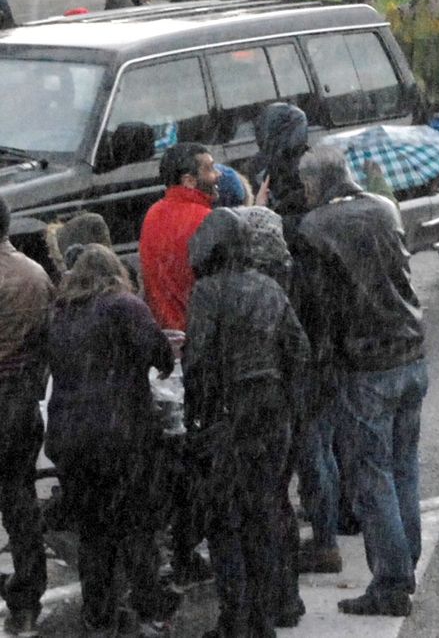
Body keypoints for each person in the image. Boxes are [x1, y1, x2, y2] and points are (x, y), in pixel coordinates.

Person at [295, 147, 427, 617]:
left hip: (365, 362)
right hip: (409, 350)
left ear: (316, 183)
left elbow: (319, 309)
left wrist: (319, 369)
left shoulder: (316, 228)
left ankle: (391, 580)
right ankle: (404, 561)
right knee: (404, 466)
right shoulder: (382, 208)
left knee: (372, 476)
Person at [184, 209, 310, 638]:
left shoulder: (207, 292)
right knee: (266, 512)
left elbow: (198, 361)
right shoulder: (269, 287)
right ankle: (269, 610)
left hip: (229, 414)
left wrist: (195, 417)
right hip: (271, 413)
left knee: (225, 522)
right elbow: (299, 349)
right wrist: (289, 404)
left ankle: (236, 618)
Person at [46, 245, 178, 635]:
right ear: (116, 272)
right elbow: (162, 359)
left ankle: (98, 616)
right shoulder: (125, 305)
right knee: (136, 525)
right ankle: (150, 608)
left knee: (93, 532)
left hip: (71, 438)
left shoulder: (60, 314)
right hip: (122, 437)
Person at [0, 198, 50, 638]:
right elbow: (45, 344)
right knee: (20, 500)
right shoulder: (34, 275)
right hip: (19, 401)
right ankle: (27, 597)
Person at [139, 142, 218, 333]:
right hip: (200, 333)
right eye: (210, 169)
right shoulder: (206, 220)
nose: (218, 175)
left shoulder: (153, 214)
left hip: (167, 332)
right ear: (189, 181)